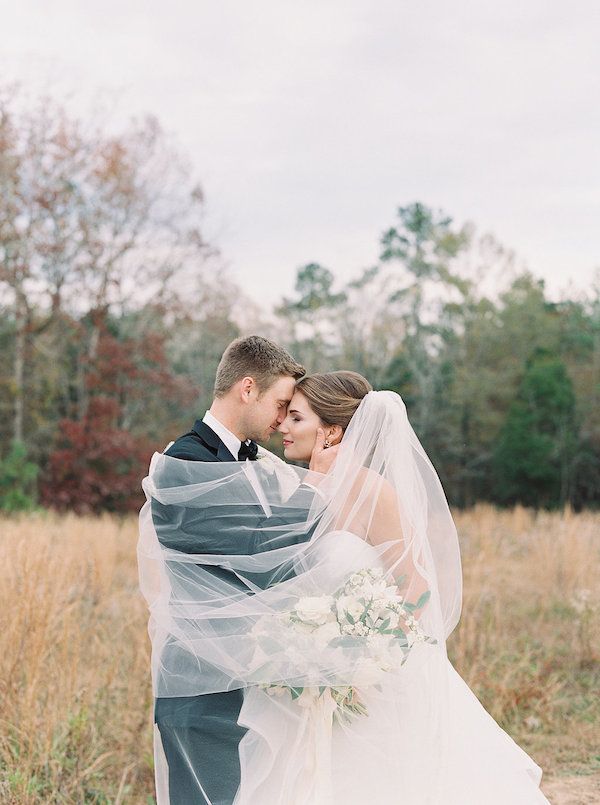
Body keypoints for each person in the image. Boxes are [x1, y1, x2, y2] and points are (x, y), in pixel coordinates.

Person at [138, 353, 550, 804]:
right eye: (283, 410)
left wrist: (370, 653)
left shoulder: (371, 492)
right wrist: (319, 649)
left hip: (369, 681)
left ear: (331, 430)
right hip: (304, 684)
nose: (282, 426)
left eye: (295, 416)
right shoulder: (295, 488)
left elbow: (415, 586)